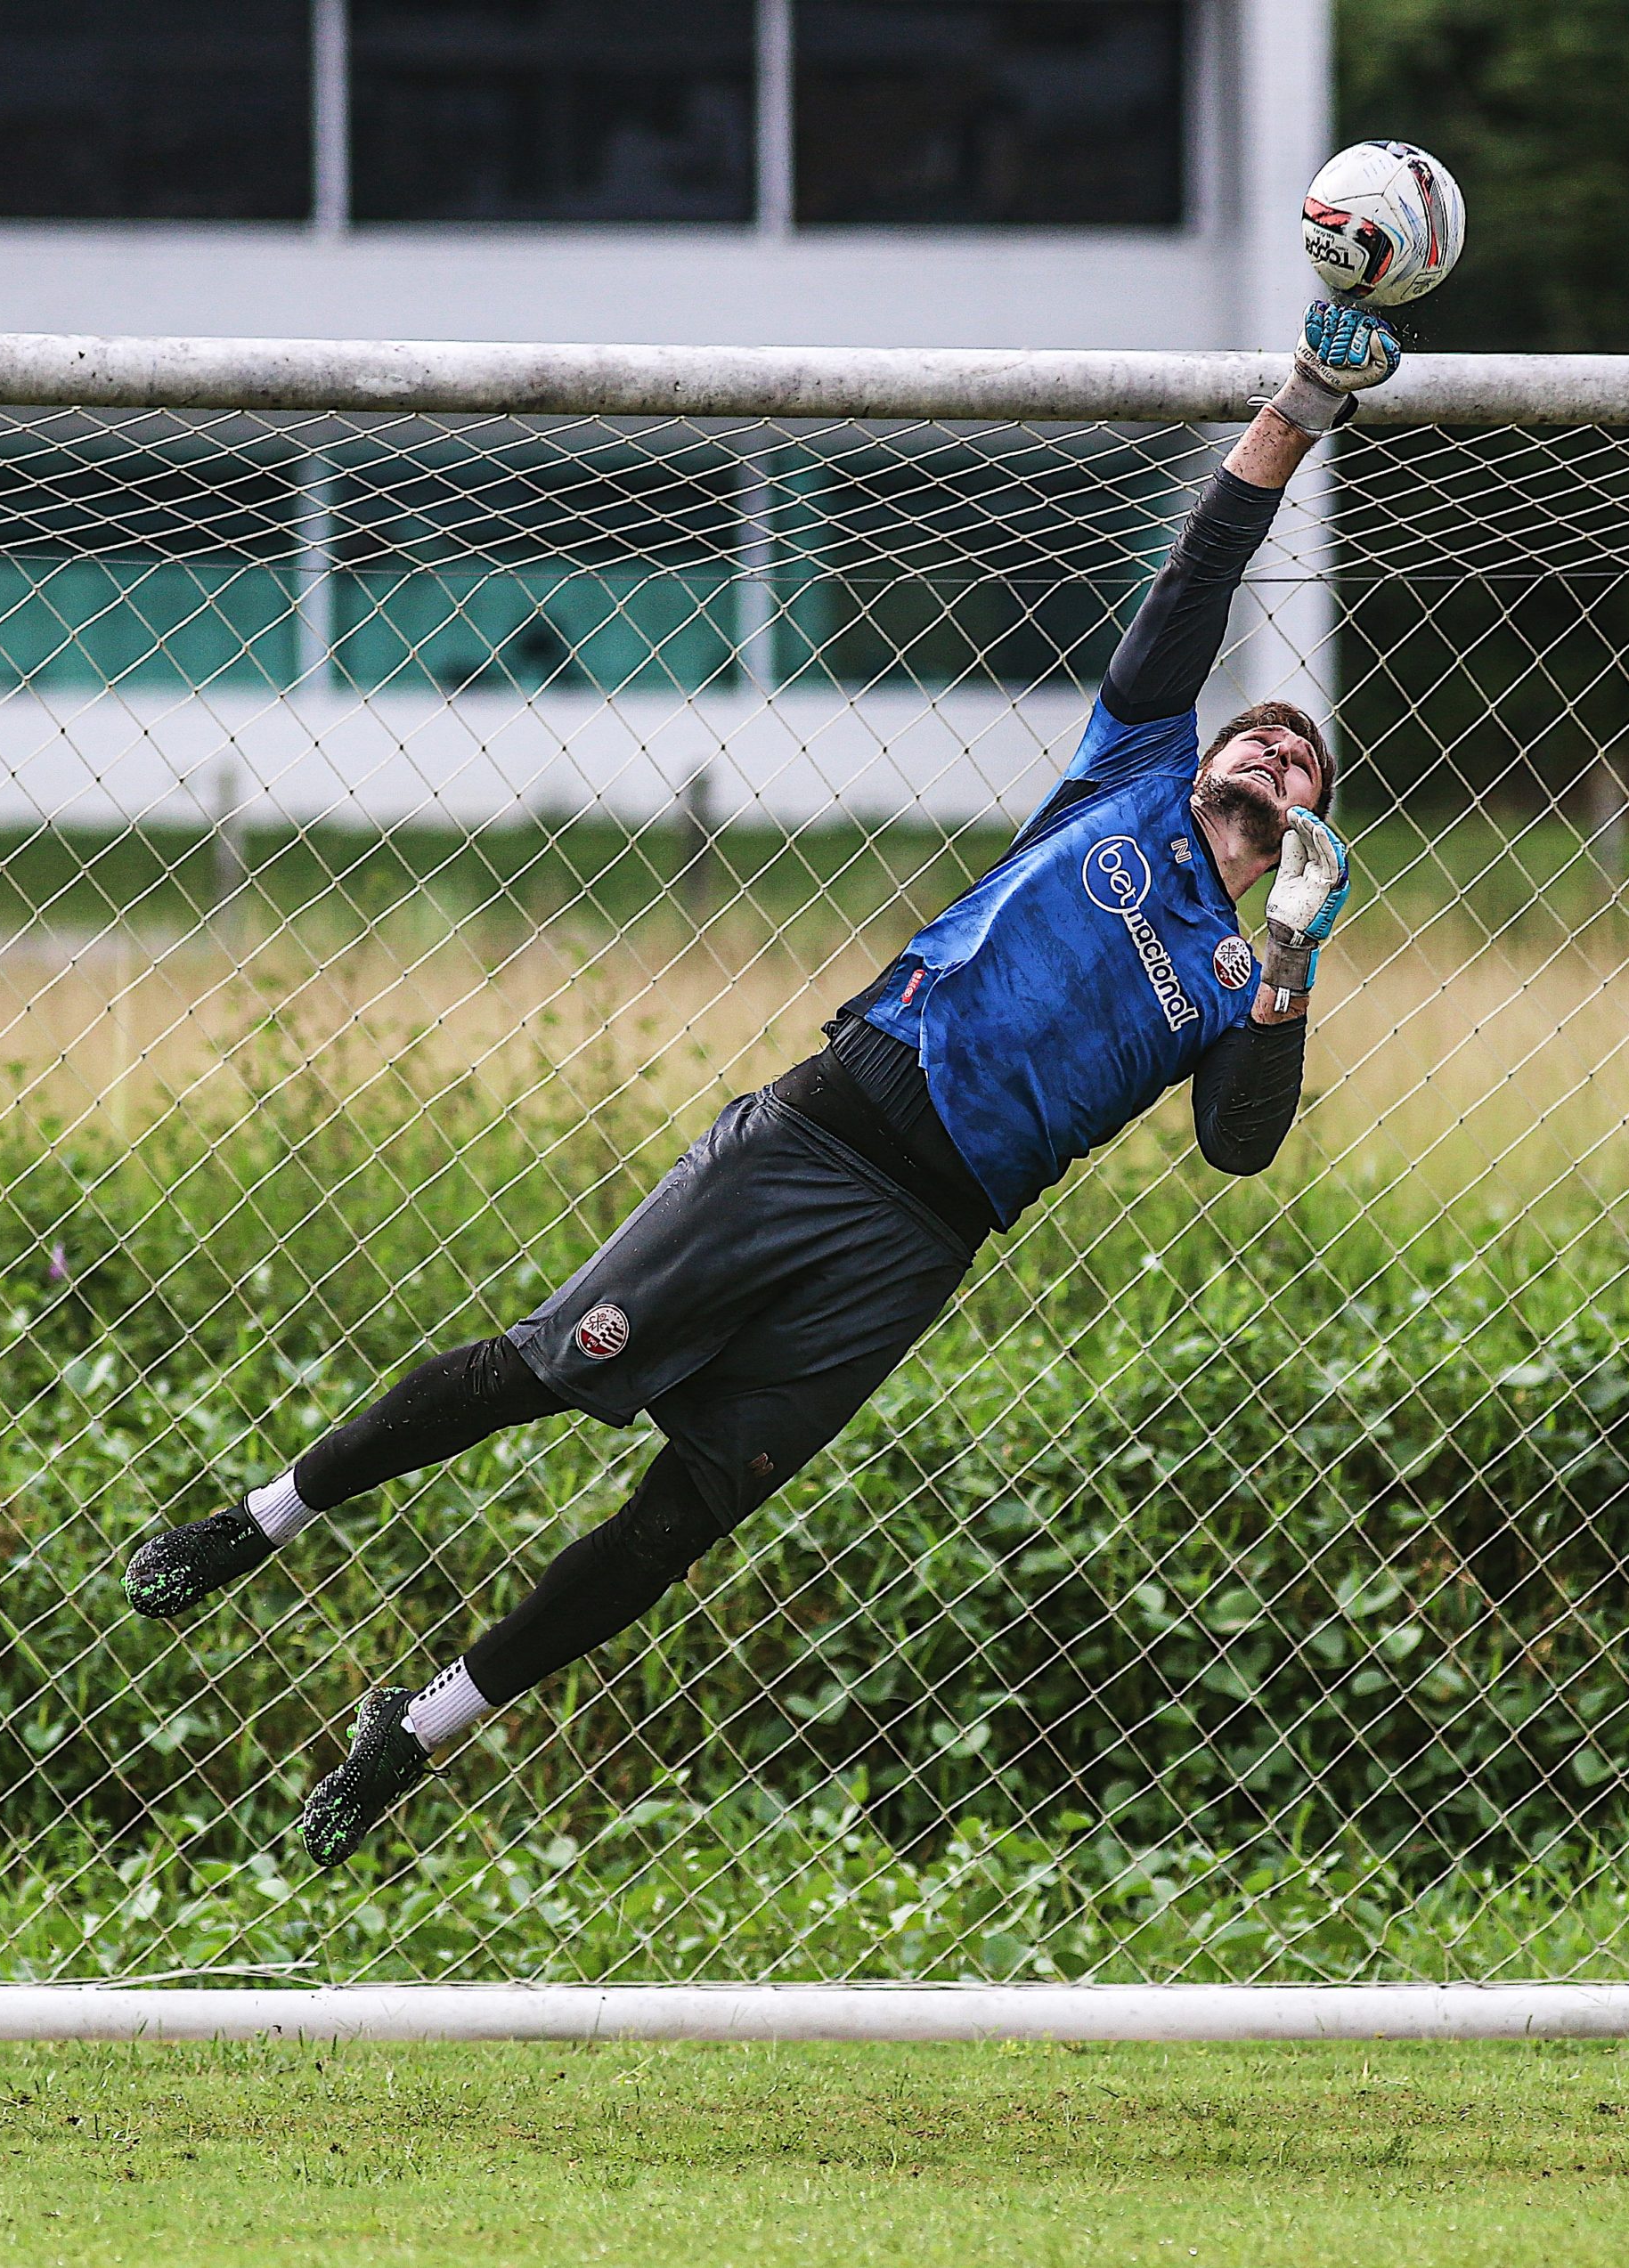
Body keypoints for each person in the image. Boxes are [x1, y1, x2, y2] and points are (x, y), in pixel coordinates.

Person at [122, 301, 1398, 1867]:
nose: (1272, 758)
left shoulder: (1245, 970)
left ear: (1306, 831)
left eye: (1301, 771)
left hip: (925, 1241)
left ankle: (418, 1729)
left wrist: (1291, 962)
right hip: (820, 1137)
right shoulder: (1128, 773)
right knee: (545, 1366)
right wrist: (1303, 401)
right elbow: (1199, 578)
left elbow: (1241, 1148)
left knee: (684, 1519)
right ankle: (259, 1525)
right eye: (1260, 742)